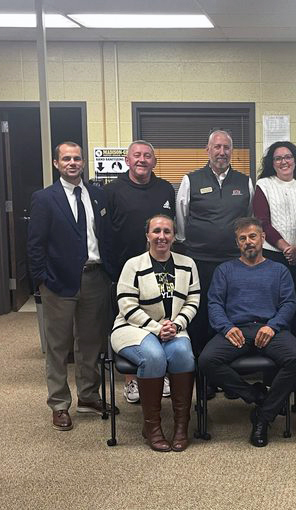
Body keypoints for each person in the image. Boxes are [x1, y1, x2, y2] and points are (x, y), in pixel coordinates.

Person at [27, 141, 116, 431]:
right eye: (66, 159)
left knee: (91, 342)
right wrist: (41, 280)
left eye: (77, 158)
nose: (72, 163)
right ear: (56, 164)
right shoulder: (44, 198)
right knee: (58, 345)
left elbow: (105, 235)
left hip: (95, 277)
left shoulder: (98, 195)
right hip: (58, 281)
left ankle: (89, 396)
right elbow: (35, 244)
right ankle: (59, 404)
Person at [198, 217, 296, 447]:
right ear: (237, 243)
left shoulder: (279, 270)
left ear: (263, 238)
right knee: (207, 361)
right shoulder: (224, 270)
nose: (248, 242)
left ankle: (263, 417)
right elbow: (214, 304)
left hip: (270, 329)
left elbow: (289, 303)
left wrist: (273, 325)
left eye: (252, 236)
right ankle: (256, 395)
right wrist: (227, 328)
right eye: (242, 238)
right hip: (235, 329)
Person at [112, 215, 199, 452]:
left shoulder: (187, 263)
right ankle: (152, 427)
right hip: (132, 328)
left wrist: (177, 325)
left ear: (174, 236)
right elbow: (126, 305)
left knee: (183, 354)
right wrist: (158, 328)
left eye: (167, 232)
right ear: (147, 235)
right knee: (153, 356)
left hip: (174, 328)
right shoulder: (133, 264)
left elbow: (193, 299)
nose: (162, 236)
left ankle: (181, 426)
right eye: (157, 231)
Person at [105, 139, 176, 404]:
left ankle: (162, 371)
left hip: (161, 269)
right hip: (125, 271)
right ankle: (131, 381)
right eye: (137, 155)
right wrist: (112, 270)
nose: (142, 160)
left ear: (154, 161)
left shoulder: (165, 188)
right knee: (132, 321)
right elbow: (105, 234)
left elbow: (172, 226)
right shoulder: (112, 190)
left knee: (163, 317)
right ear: (127, 160)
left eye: (147, 156)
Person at [175, 129, 254, 365]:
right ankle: (203, 371)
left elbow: (248, 218)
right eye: (217, 147)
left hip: (234, 262)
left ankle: (229, 370)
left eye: (226, 147)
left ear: (232, 151)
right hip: (199, 260)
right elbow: (181, 217)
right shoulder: (191, 180)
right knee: (201, 314)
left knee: (232, 313)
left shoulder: (245, 182)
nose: (222, 152)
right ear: (207, 150)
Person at [253, 141, 296, 344]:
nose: (283, 161)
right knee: (273, 306)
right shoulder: (264, 185)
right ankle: (273, 350)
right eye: (278, 158)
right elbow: (262, 223)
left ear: (295, 160)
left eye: (288, 157)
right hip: (272, 256)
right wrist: (287, 248)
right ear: (272, 162)